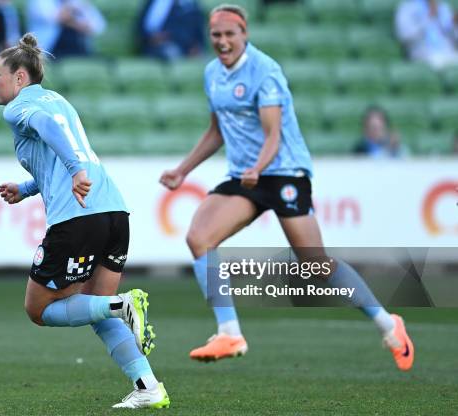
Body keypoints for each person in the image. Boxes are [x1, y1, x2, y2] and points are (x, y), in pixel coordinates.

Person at [159, 4, 415, 371]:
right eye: (217, 35)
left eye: (230, 34)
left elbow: (274, 135)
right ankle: (229, 332)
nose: (223, 41)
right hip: (246, 176)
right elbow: (216, 131)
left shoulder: (265, 71)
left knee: (318, 267)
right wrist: (182, 171)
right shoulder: (212, 74)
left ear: (244, 34)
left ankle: (389, 324)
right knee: (199, 238)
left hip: (283, 172)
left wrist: (258, 168)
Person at [0, 33, 170, 409]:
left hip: (78, 215)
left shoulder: (19, 108)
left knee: (38, 310)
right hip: (115, 213)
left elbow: (47, 130)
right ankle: (148, 386)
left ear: (20, 78)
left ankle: (121, 305)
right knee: (96, 308)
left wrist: (75, 171)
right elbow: (52, 153)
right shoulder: (60, 101)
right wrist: (26, 187)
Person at [26, 0, 105, 58]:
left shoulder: (76, 3)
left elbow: (98, 26)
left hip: (78, 48)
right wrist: (77, 22)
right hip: (50, 49)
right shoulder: (40, 2)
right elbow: (55, 17)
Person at [395, 0, 458, 70]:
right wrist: (428, 18)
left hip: (448, 51)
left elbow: (452, 37)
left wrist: (454, 24)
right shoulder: (407, 8)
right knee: (439, 62)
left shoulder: (443, 7)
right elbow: (405, 36)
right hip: (423, 53)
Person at [136, 0, 206, 61]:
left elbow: (198, 32)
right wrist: (151, 38)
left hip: (185, 48)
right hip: (156, 46)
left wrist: (196, 47)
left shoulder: (191, 5)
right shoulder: (154, 3)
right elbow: (140, 29)